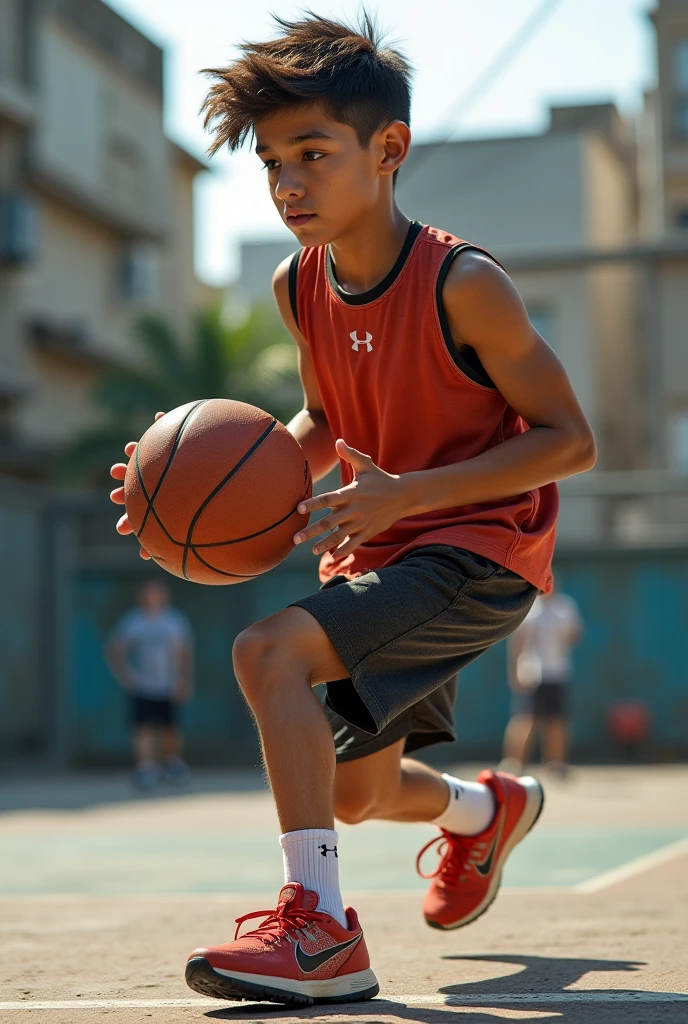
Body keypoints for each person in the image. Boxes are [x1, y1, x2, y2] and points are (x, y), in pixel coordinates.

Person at [109, 12, 596, 1007]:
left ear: (388, 150)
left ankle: (321, 931)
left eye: (313, 153)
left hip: (479, 548)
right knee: (357, 792)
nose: (287, 182)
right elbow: (327, 421)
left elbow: (569, 439)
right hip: (380, 548)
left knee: (266, 653)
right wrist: (193, 492)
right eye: (271, 161)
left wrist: (409, 495)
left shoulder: (465, 285)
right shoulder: (299, 285)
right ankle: (484, 811)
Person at [107, 580, 194, 789]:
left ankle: (172, 764)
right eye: (149, 593)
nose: (153, 597)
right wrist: (126, 675)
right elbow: (115, 649)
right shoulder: (133, 620)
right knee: (142, 728)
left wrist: (184, 680)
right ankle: (147, 769)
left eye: (157, 593)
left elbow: (185, 652)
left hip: (169, 684)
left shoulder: (174, 620)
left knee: (170, 728)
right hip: (143, 685)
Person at [502, 582, 584, 777]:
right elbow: (517, 643)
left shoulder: (565, 607)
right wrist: (514, 671)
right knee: (526, 719)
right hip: (532, 674)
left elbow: (575, 635)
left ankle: (555, 763)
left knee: (557, 720)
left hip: (558, 672)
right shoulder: (529, 608)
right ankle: (514, 764)